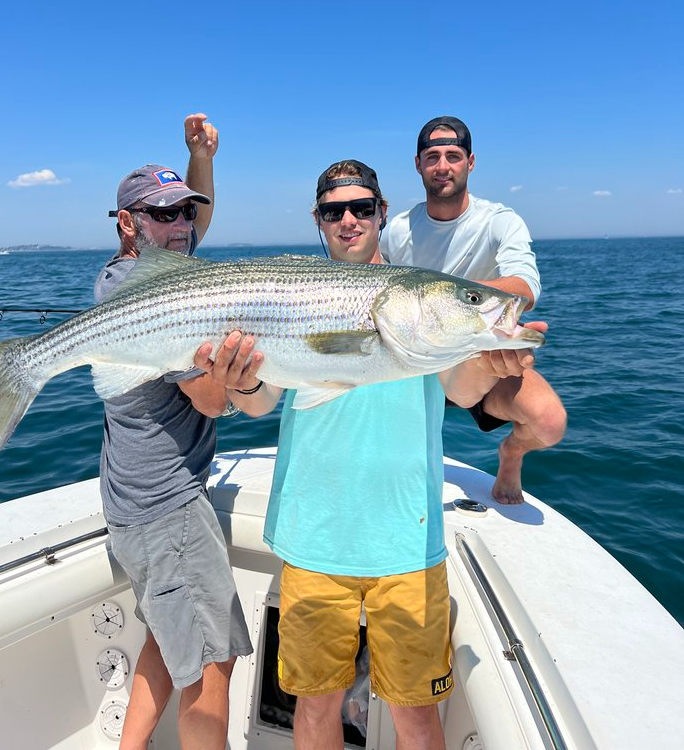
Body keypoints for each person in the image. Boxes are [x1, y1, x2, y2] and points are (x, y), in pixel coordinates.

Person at [194, 160, 542, 749]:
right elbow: (259, 405)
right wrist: (237, 379)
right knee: (314, 707)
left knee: (416, 716)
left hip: (407, 541)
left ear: (382, 213)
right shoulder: (289, 295)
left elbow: (461, 390)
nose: (349, 219)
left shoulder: (420, 304)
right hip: (314, 536)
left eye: (361, 208)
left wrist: (490, 354)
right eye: (335, 211)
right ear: (319, 221)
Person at [97, 114, 253, 750]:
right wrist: (243, 377)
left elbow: (193, 226)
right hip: (167, 510)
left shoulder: (128, 274)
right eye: (163, 216)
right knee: (213, 664)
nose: (182, 227)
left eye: (185, 214)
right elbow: (210, 403)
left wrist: (200, 161)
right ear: (129, 224)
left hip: (132, 500)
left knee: (169, 644)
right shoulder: (162, 301)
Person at [381, 116, 567, 504]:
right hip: (413, 355)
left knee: (550, 423)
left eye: (453, 155)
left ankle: (511, 453)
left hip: (477, 356)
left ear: (471, 162)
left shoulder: (500, 221)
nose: (442, 166)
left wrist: (454, 308)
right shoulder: (399, 229)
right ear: (418, 165)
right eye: (432, 157)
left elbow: (524, 286)